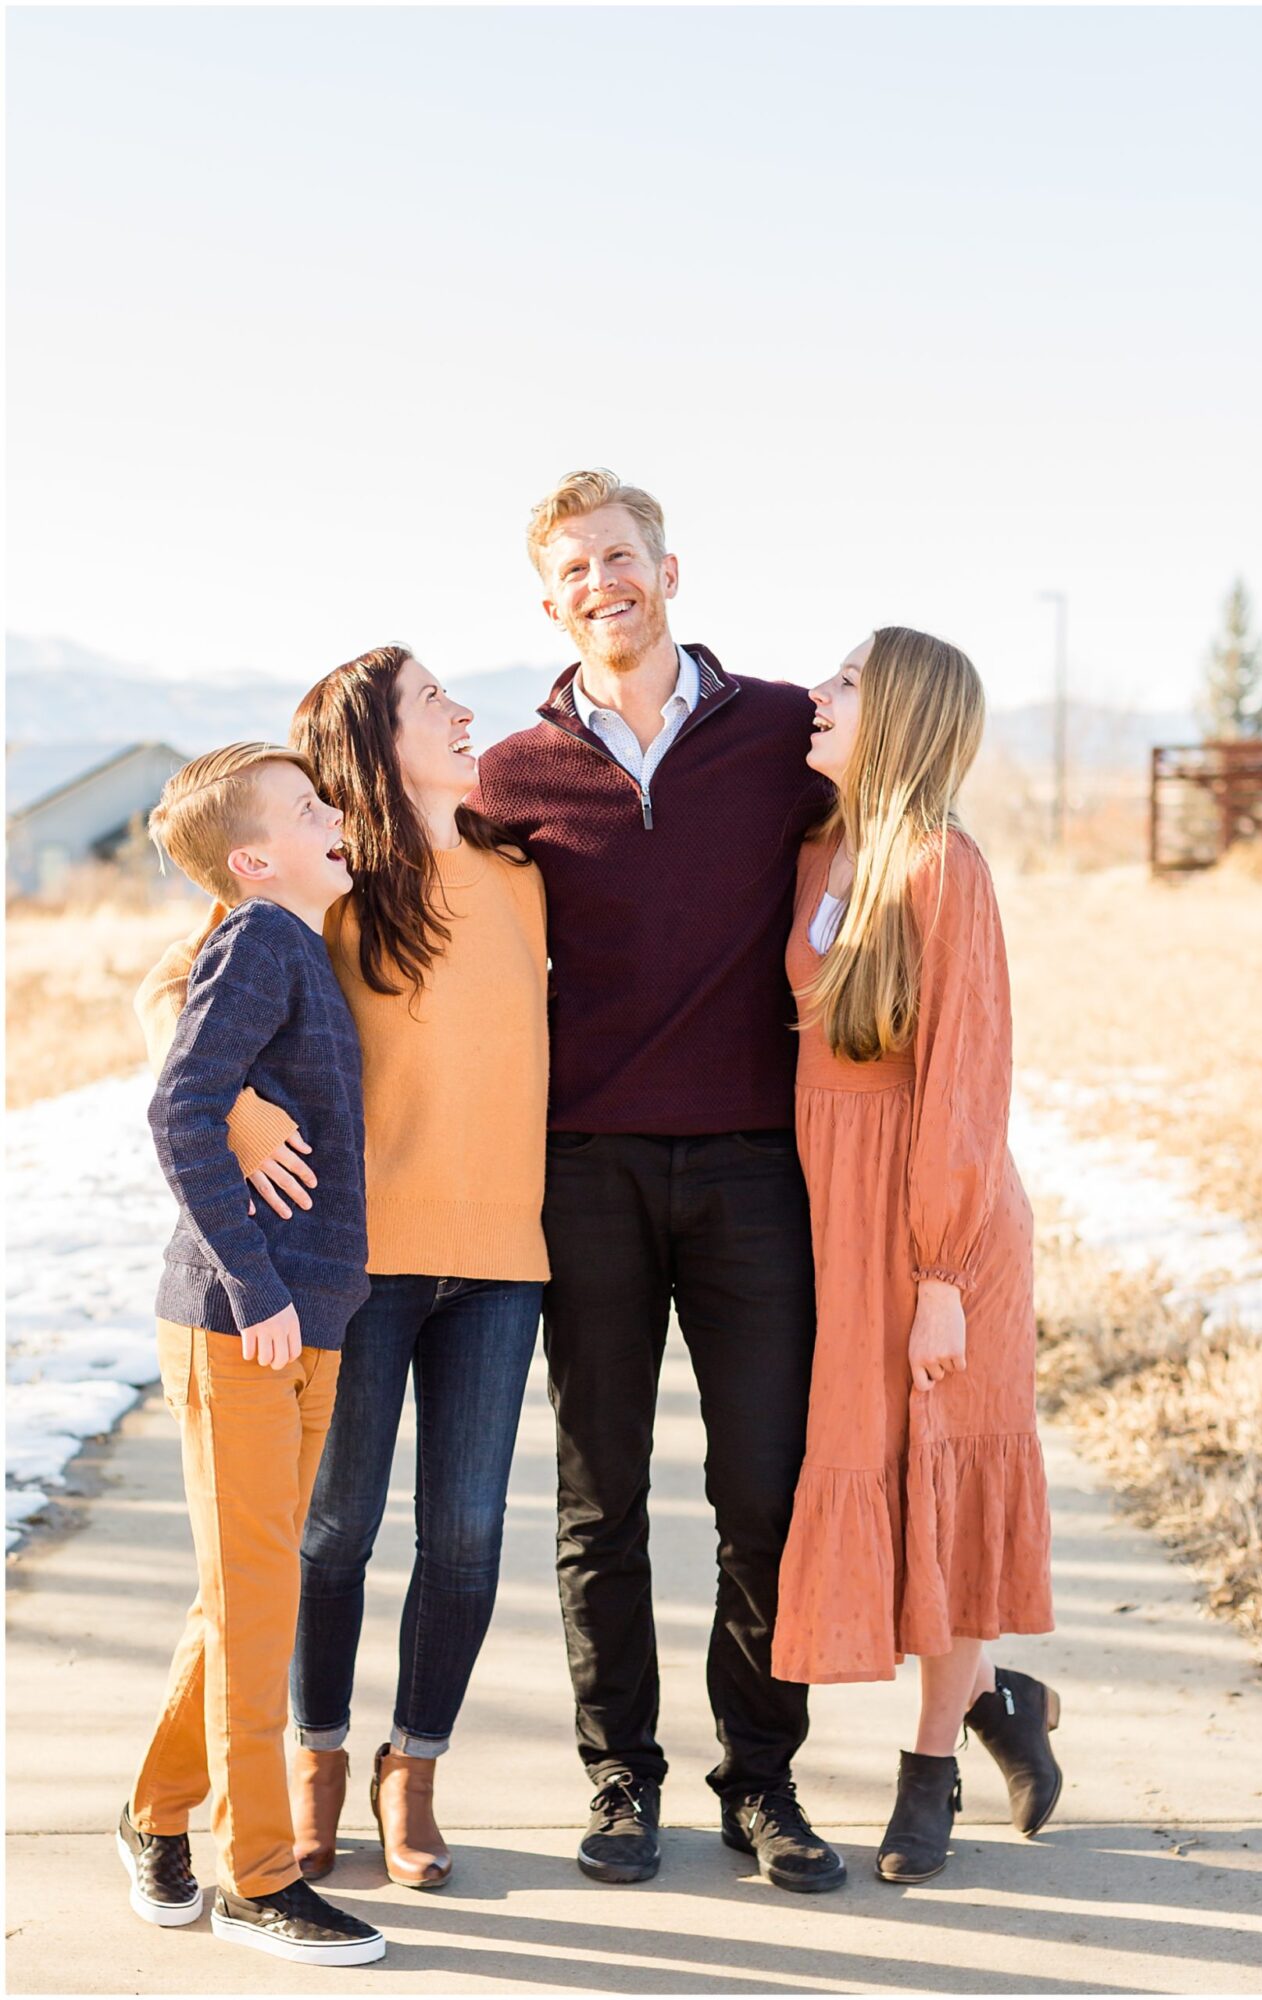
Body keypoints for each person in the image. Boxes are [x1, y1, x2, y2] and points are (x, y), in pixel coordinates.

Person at [472, 469, 846, 1894]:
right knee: (598, 1494)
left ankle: (762, 1781)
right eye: (570, 569)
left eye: (616, 556)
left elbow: (890, 818)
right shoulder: (511, 775)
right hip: (589, 1168)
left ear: (670, 569)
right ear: (548, 597)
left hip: (757, 1164)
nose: (598, 583)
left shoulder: (775, 735)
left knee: (764, 1486)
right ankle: (621, 1777)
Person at [134, 647, 548, 1891]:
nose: (467, 713)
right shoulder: (327, 881)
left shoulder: (522, 874)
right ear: (376, 739)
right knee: (327, 1537)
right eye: (436, 701)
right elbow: (174, 998)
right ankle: (307, 1767)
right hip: (356, 1265)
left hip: (502, 1256)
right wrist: (242, 1110)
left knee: (467, 1534)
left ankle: (410, 1767)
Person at [772, 627, 1062, 1885]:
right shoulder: (816, 851)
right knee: (877, 1470)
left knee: (945, 1481)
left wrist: (940, 1272)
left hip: (939, 1226)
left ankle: (932, 1764)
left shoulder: (944, 867)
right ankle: (1005, 1702)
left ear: (897, 713)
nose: (816, 694)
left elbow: (964, 1082)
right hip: (838, 1221)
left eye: (843, 681)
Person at [119, 743, 385, 1966]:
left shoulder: (304, 946)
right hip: (247, 1324)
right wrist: (254, 1283)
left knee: (242, 1596)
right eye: (310, 805)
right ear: (253, 858)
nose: (337, 815)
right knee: (257, 1606)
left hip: (305, 1320)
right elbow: (183, 1104)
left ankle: (151, 1811)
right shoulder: (265, 938)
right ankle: (259, 1875)